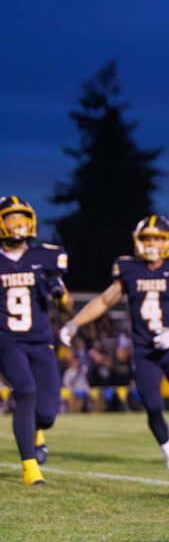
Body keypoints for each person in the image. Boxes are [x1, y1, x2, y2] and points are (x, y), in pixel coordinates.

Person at [60, 215, 169, 469]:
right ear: (137, 241)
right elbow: (105, 301)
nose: (151, 243)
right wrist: (75, 323)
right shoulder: (128, 269)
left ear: (168, 242)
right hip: (144, 350)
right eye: (146, 238)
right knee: (151, 405)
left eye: (156, 238)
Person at [0, 196, 71, 485]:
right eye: (10, 217)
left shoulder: (47, 256)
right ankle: (30, 468)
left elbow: (66, 308)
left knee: (47, 412)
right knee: (25, 391)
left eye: (22, 217)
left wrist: (60, 294)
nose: (17, 223)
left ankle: (38, 431)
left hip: (42, 341)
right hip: (6, 340)